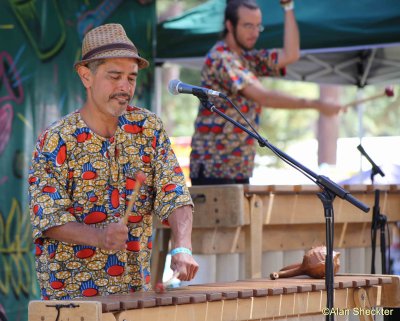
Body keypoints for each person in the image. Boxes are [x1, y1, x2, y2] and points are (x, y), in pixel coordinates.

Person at [28, 23, 198, 300]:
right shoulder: (56, 140)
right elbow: (48, 218)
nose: (124, 87)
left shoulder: (148, 128)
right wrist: (98, 237)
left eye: (131, 78)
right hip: (72, 301)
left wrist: (182, 248)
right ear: (86, 76)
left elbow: (175, 193)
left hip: (133, 294)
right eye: (114, 76)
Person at [190, 0, 343, 185]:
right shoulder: (221, 57)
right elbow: (264, 97)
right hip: (213, 168)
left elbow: (291, 55)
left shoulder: (248, 58)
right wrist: (317, 105)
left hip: (238, 166)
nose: (254, 33)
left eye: (257, 26)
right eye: (248, 26)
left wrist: (288, 8)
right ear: (230, 25)